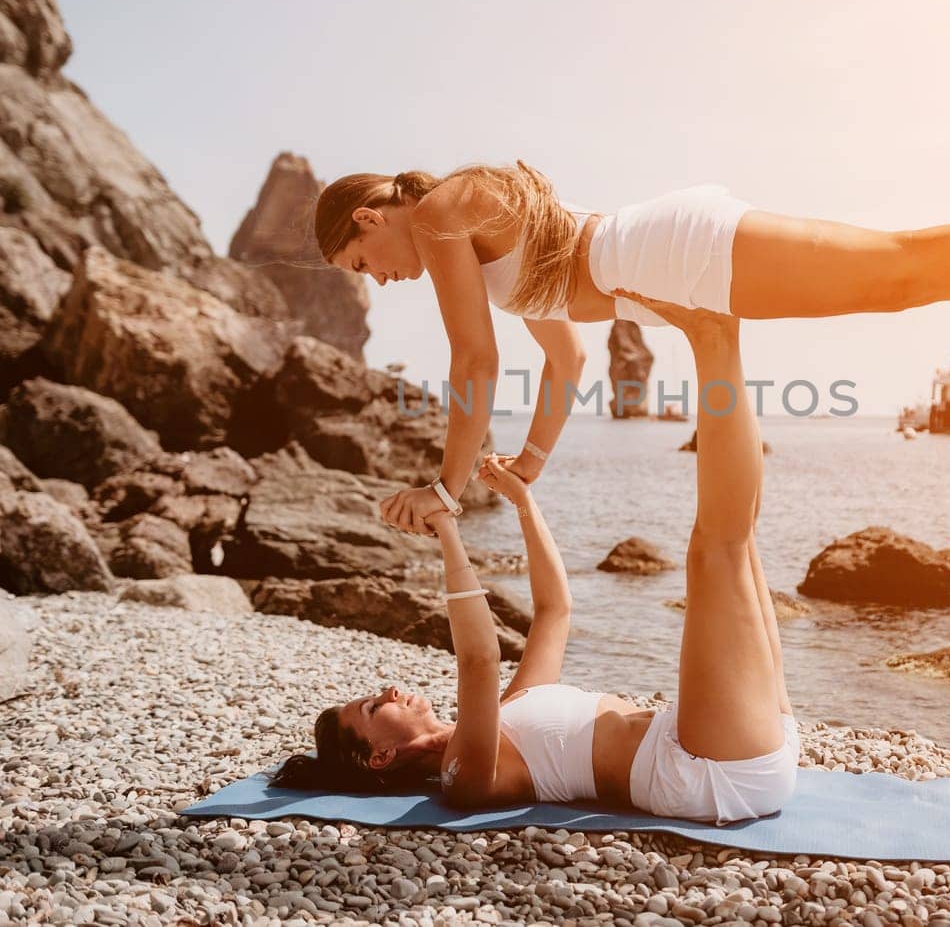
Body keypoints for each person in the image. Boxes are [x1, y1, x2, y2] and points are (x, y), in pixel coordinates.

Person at [312, 162, 950, 532]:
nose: (379, 277)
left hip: (666, 252)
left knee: (904, 267)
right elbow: (564, 363)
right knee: (902, 274)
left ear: (368, 216)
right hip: (663, 266)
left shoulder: (441, 212)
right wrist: (533, 461)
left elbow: (474, 365)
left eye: (365, 260)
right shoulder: (482, 252)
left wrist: (445, 484)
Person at [271, 290, 798, 825]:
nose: (387, 691)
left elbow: (554, 610)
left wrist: (524, 501)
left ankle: (719, 330)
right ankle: (713, 332)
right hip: (709, 771)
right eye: (370, 707)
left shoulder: (509, 711)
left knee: (739, 537)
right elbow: (478, 662)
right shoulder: (465, 775)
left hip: (738, 738)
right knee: (714, 551)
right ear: (378, 756)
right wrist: (446, 525)